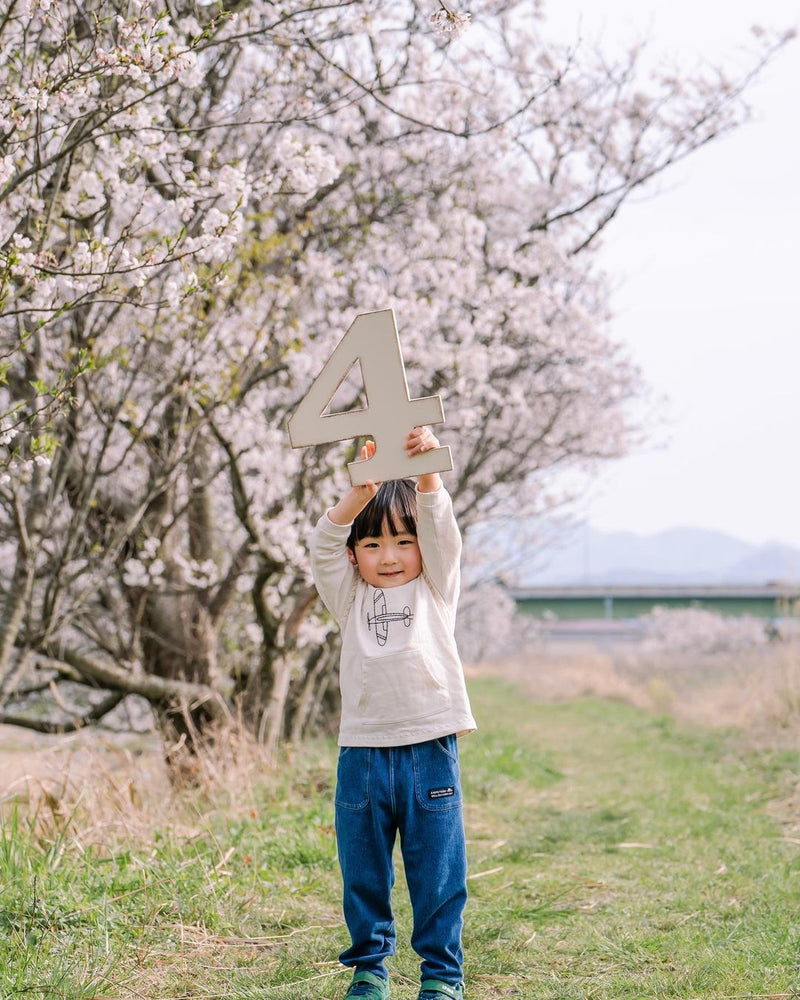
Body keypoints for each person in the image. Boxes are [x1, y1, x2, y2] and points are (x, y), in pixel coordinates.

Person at [310, 426, 477, 1000]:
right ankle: (369, 969)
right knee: (364, 871)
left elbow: (441, 531)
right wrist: (359, 494)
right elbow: (323, 543)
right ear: (356, 554)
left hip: (429, 744)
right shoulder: (349, 595)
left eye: (403, 542)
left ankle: (441, 975)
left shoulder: (436, 587)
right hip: (362, 750)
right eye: (373, 544)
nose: (389, 557)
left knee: (438, 873)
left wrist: (426, 470)